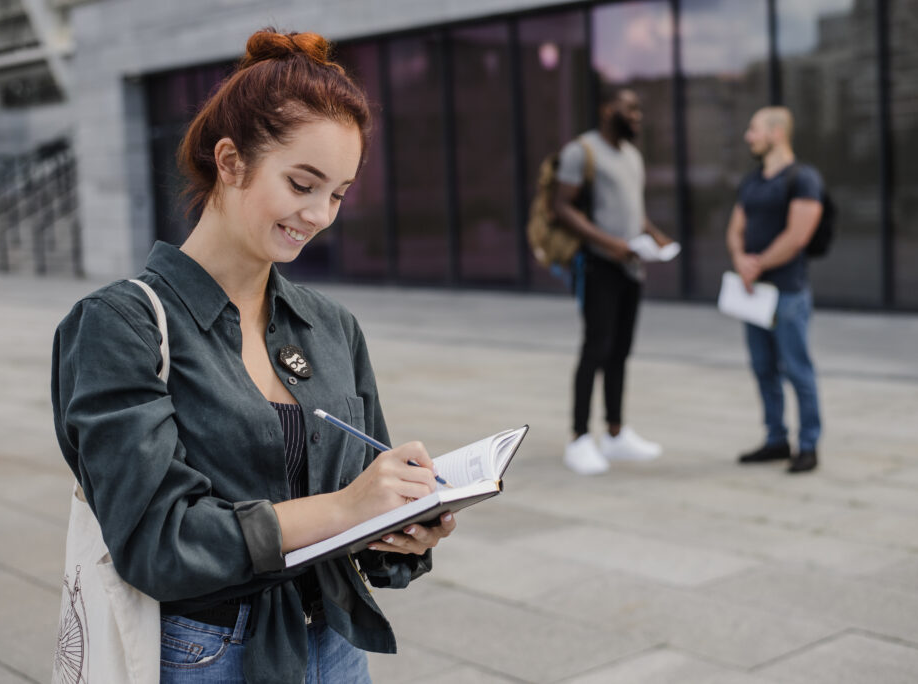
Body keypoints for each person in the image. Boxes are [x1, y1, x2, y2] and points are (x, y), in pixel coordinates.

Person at [51, 28, 456, 683]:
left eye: (339, 193)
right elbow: (159, 541)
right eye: (303, 183)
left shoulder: (330, 326)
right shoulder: (120, 325)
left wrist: (400, 524)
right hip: (203, 654)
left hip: (336, 646)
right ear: (231, 161)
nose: (320, 213)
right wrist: (348, 507)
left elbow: (360, 503)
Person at [554, 87, 675, 476]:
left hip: (631, 267)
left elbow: (632, 211)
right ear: (608, 110)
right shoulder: (581, 151)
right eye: (630, 109)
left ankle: (616, 433)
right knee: (595, 348)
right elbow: (562, 206)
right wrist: (610, 244)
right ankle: (578, 438)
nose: (638, 115)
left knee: (621, 350)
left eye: (640, 109)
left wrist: (654, 236)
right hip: (598, 266)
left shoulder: (632, 156)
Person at [726, 106, 823, 474]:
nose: (749, 137)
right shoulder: (752, 181)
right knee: (763, 369)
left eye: (754, 129)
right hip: (753, 294)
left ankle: (809, 444)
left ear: (777, 132)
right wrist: (740, 259)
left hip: (787, 293)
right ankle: (776, 439)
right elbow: (735, 228)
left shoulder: (803, 178)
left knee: (798, 370)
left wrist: (758, 263)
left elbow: (798, 236)